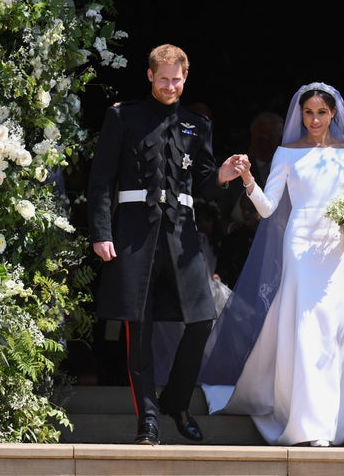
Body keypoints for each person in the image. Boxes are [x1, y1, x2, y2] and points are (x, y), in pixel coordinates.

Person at [200, 82, 344, 447]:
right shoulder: (286, 153)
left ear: (333, 114)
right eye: (309, 113)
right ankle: (309, 422)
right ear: (300, 114)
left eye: (322, 112)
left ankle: (338, 411)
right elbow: (268, 208)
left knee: (335, 322)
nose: (315, 119)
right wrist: (247, 180)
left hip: (338, 245)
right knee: (305, 323)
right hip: (300, 243)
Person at [87, 43, 245, 445]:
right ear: (150, 76)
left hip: (182, 236)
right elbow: (102, 179)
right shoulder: (123, 117)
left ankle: (175, 400)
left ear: (185, 77)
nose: (171, 87)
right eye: (163, 80)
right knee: (136, 327)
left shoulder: (197, 124)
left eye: (177, 80)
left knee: (202, 317)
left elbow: (206, 181)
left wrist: (224, 174)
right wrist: (102, 232)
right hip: (135, 235)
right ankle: (149, 421)